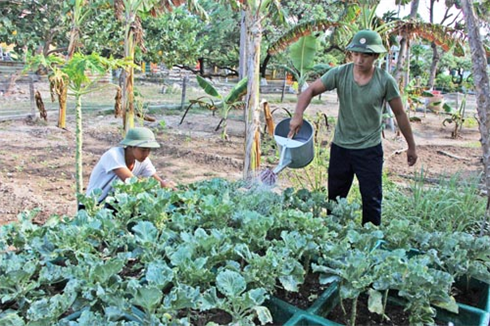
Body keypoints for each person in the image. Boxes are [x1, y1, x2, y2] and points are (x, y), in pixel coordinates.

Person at [288, 29, 417, 226]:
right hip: (341, 148)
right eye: (355, 54)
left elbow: (400, 114)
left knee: (371, 200)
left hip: (369, 150)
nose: (359, 59)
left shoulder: (385, 81)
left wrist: (411, 146)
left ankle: (370, 241)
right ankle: (332, 240)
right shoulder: (340, 73)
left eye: (365, 55)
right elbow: (311, 90)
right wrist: (297, 115)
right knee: (335, 201)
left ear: (375, 56)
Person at [81, 127, 176, 210]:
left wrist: (170, 188)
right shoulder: (113, 155)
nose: (146, 154)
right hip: (92, 206)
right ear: (130, 147)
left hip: (115, 204)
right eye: (143, 150)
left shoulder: (143, 160)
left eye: (149, 150)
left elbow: (157, 181)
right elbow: (132, 182)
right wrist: (159, 187)